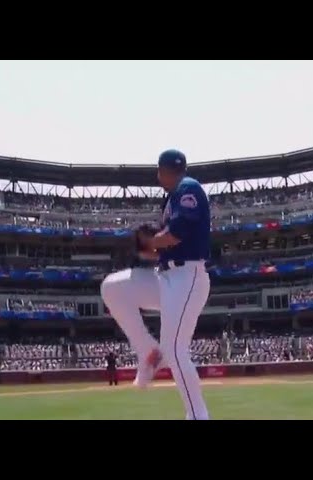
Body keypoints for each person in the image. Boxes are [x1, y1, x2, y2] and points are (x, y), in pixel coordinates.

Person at [101, 149, 211, 420]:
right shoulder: (171, 199)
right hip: (167, 277)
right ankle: (148, 350)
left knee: (174, 349)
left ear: (163, 170)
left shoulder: (189, 188)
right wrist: (150, 250)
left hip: (188, 278)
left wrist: (151, 242)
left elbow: (176, 235)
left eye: (158, 170)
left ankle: (198, 416)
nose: (157, 175)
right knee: (113, 288)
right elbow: (165, 246)